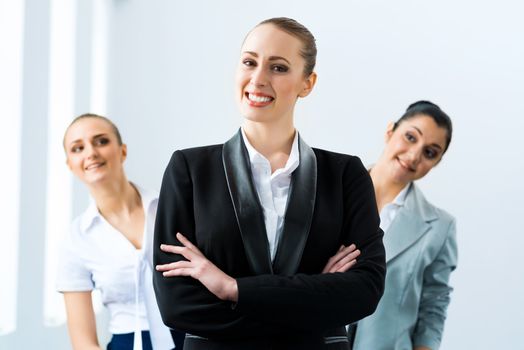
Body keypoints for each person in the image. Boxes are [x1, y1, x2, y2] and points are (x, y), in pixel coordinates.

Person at [153, 17, 386, 350]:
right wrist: (315, 297)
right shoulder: (189, 170)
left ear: (307, 83)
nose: (258, 78)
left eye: (278, 68)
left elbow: (364, 292)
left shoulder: (346, 175)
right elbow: (177, 305)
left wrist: (232, 288)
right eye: (250, 62)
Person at [56, 114, 184, 350]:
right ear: (70, 165)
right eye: (77, 148)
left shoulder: (172, 208)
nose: (90, 153)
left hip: (191, 338)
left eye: (101, 141)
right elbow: (83, 343)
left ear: (122, 151)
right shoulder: (76, 239)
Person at [350, 101, 458, 350]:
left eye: (430, 152)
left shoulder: (440, 227)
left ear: (436, 163)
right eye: (410, 137)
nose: (414, 156)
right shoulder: (331, 191)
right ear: (390, 131)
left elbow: (434, 306)